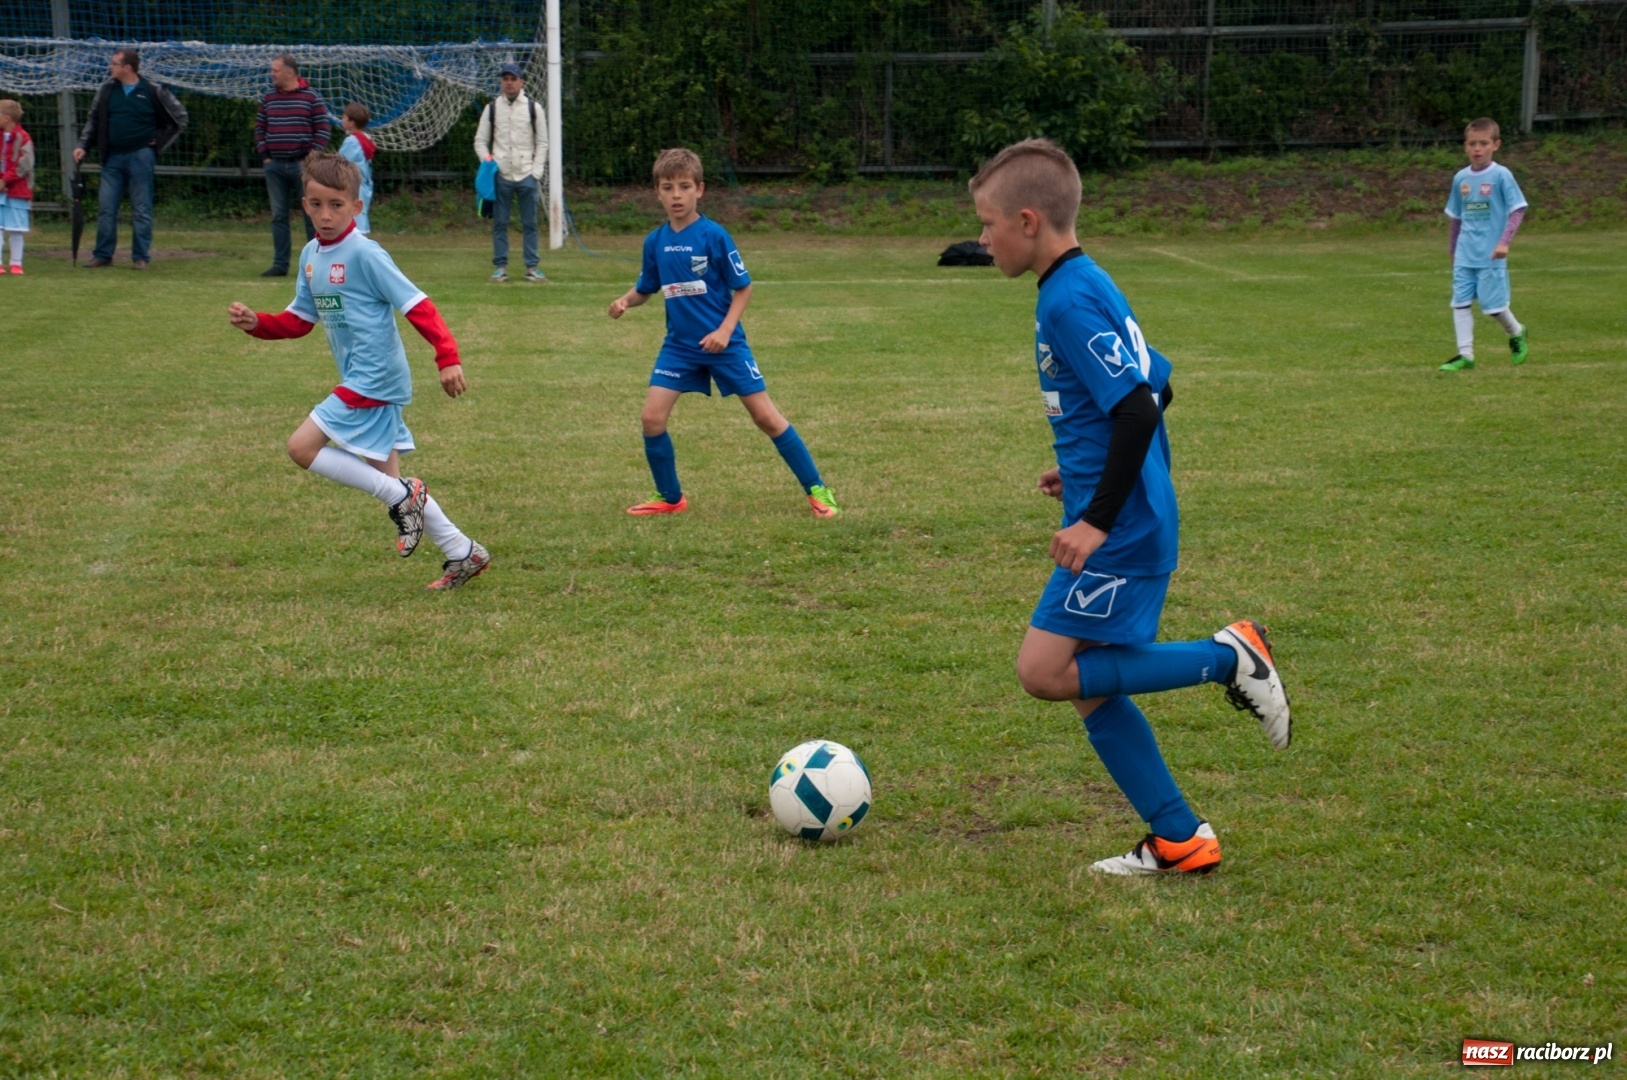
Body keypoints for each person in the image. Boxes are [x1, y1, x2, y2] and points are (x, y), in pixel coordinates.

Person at [969, 138, 1290, 876]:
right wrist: (1079, 468)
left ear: (1026, 221)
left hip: (1123, 528)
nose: (980, 240)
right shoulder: (1087, 281)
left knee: (1044, 671)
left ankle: (1227, 657)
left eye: (986, 224)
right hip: (1127, 510)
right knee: (1087, 680)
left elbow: (1139, 410)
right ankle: (1180, 838)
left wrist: (1095, 516)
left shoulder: (1067, 299)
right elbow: (1155, 385)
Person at [226, 153, 490, 591]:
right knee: (388, 479)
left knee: (301, 447)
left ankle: (404, 500)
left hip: (373, 377)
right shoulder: (311, 254)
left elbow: (417, 304)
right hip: (363, 377)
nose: (325, 215)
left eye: (336, 204)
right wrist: (259, 324)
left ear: (356, 206)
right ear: (304, 204)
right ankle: (463, 551)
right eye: (315, 204)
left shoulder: (366, 254)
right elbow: (300, 319)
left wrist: (448, 356)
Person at [607, 147, 839, 519]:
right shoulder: (655, 241)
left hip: (725, 344)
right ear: (658, 193)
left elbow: (742, 287)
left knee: (766, 418)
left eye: (685, 186)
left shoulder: (714, 235)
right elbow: (646, 288)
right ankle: (670, 497)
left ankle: (818, 489)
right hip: (680, 347)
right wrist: (624, 302)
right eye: (668, 187)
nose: (677, 195)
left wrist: (725, 331)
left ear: (700, 189)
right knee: (651, 419)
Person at [71, 49, 188, 270]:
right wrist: (82, 145)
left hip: (141, 155)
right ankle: (103, 254)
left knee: (141, 207)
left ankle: (140, 256)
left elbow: (180, 117)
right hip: (113, 157)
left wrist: (159, 141)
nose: (110, 67)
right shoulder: (106, 90)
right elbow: (93, 120)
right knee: (107, 207)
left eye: (114, 63)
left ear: (128, 67)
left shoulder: (153, 90)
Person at [1439, 117, 1529, 372]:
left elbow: (1517, 210)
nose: (1477, 149)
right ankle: (1465, 355)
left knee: (1494, 308)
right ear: (1465, 146)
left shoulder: (1501, 175)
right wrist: (1453, 249)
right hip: (1466, 253)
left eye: (1483, 143)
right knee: (1460, 303)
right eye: (1472, 144)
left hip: (1491, 255)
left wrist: (1504, 242)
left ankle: (1516, 331)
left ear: (1495, 145)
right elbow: (1456, 218)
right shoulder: (1461, 179)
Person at [255, 54, 330, 278]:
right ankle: (280, 265)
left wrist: (310, 158)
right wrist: (265, 156)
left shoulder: (311, 97)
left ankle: (316, 265)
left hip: (302, 167)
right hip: (275, 166)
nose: (272, 74)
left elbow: (323, 129)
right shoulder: (268, 98)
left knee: (311, 215)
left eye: (275, 70)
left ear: (289, 73)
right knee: (278, 215)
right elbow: (259, 128)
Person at [473, 62, 547, 283]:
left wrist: (536, 171)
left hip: (527, 174)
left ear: (521, 81)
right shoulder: (492, 108)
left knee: (530, 223)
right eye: (505, 78)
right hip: (501, 174)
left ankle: (532, 267)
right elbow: (480, 141)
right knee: (500, 223)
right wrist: (487, 161)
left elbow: (542, 142)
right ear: (500, 81)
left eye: (513, 78)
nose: (509, 82)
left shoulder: (534, 108)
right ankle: (500, 267)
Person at [0, 100, 33, 275]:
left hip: (17, 191)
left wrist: (5, 180)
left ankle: (16, 263)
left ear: (6, 118)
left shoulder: (23, 137)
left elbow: (24, 164)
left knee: (16, 229)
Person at [337, 102, 376, 234]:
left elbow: (340, 163)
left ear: (352, 122)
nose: (342, 119)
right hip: (364, 186)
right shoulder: (366, 139)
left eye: (344, 117)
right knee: (360, 215)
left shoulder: (352, 142)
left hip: (353, 186)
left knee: (353, 220)